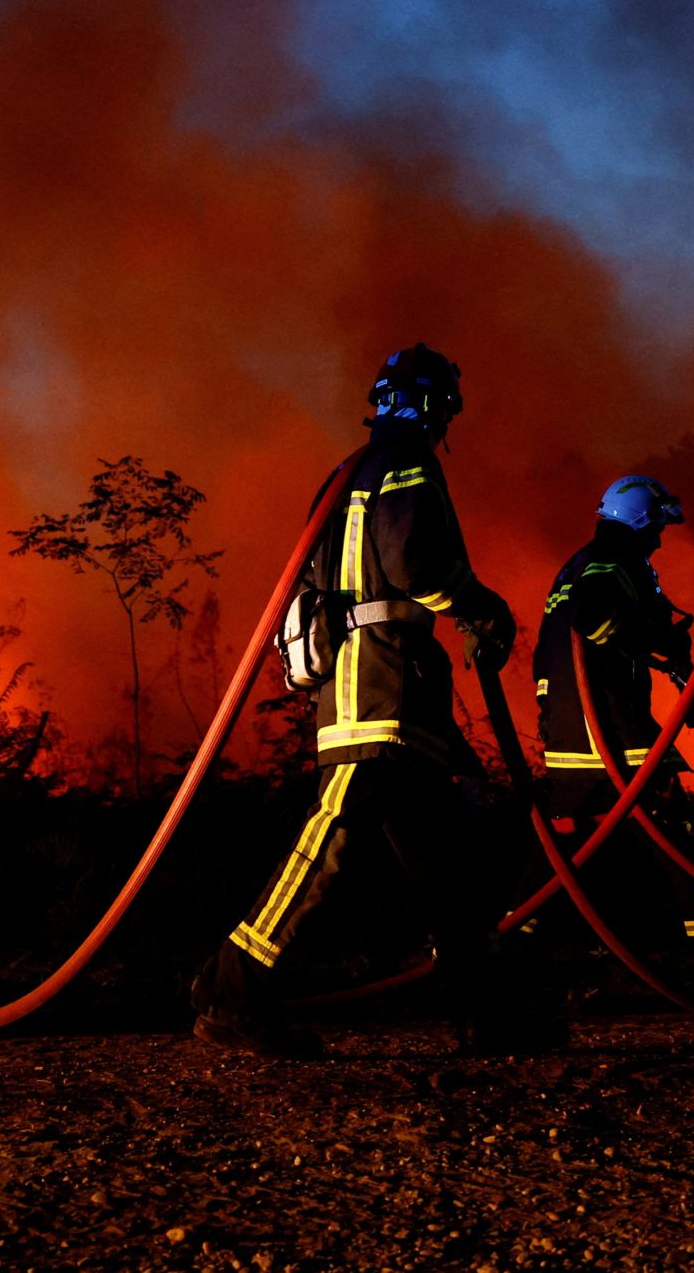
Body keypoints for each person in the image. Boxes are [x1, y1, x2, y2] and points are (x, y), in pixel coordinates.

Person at [189, 344, 521, 1058]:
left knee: (444, 860)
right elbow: (415, 564)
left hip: (386, 690)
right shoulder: (408, 465)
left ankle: (486, 1013)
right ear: (435, 407)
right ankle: (233, 990)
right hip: (379, 690)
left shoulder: (347, 476)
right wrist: (480, 606)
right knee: (330, 842)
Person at [532, 475, 694, 957]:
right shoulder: (617, 561)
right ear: (641, 521)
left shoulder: (576, 564)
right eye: (658, 526)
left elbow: (561, 640)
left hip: (568, 733)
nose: (661, 537)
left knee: (567, 854)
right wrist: (659, 641)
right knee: (678, 838)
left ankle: (525, 951)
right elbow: (594, 620)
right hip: (614, 729)